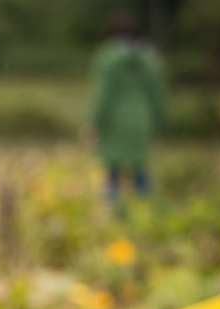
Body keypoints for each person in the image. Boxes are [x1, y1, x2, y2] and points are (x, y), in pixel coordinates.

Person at [90, 12, 164, 203]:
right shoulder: (150, 58)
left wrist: (94, 122)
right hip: (142, 117)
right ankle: (147, 208)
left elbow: (103, 95)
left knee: (112, 169)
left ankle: (113, 211)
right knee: (139, 167)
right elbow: (157, 93)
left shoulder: (107, 57)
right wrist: (160, 119)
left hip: (114, 120)